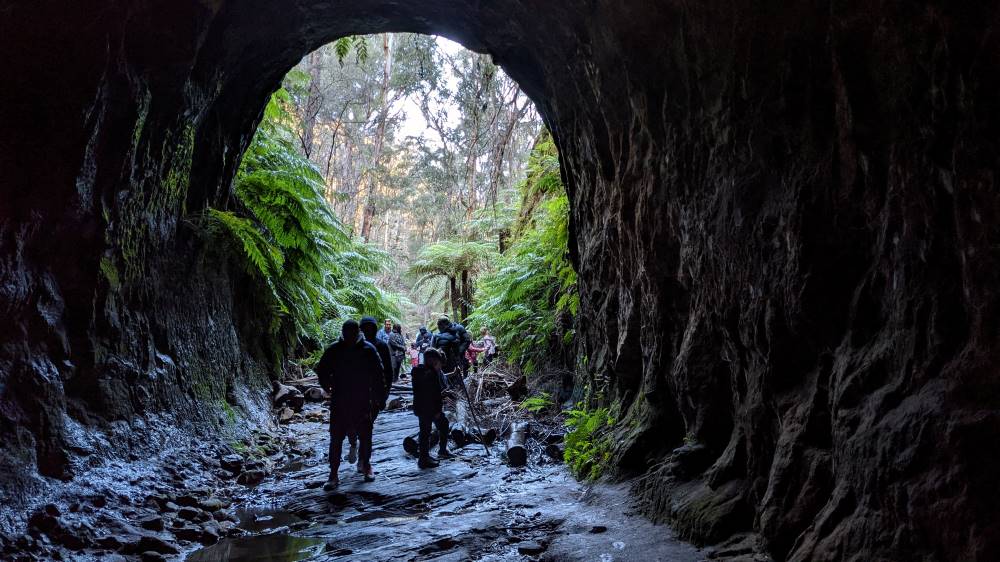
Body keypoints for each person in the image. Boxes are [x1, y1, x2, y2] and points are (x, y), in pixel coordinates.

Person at [315, 320, 385, 489]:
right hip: (340, 400)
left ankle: (366, 465)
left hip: (362, 400)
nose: (349, 336)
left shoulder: (368, 350)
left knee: (365, 435)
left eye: (352, 333)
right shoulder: (334, 349)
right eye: (346, 333)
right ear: (343, 333)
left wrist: (379, 397)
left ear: (357, 332)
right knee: (336, 438)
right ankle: (333, 474)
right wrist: (327, 386)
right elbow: (322, 369)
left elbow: (378, 374)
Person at [410, 348, 453, 468]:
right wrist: (437, 410)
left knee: (428, 431)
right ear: (431, 360)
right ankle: (424, 459)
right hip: (429, 409)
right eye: (437, 361)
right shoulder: (430, 373)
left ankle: (428, 456)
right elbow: (433, 394)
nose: (438, 364)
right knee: (427, 432)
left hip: (421, 407)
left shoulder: (418, 371)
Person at [360, 316, 394, 411]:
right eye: (366, 328)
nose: (369, 331)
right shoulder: (357, 347)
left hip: (376, 388)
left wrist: (386, 392)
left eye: (371, 328)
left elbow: (388, 371)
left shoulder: (382, 346)